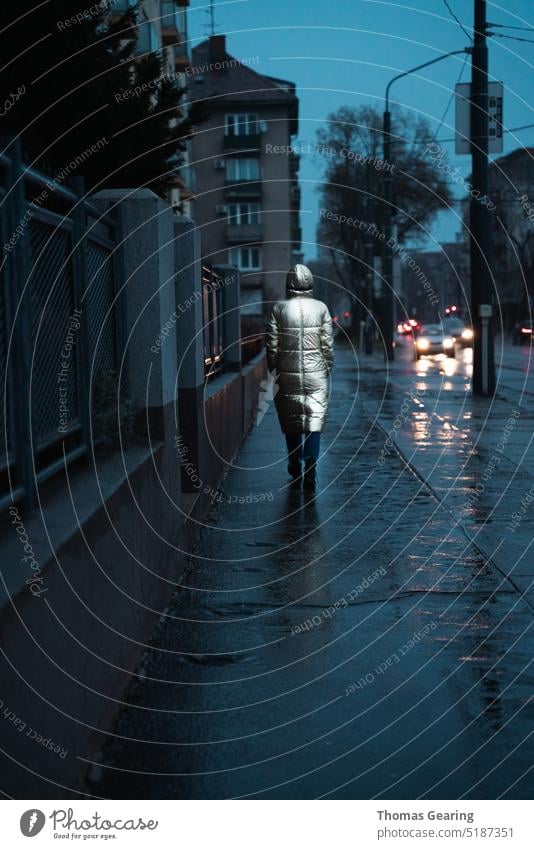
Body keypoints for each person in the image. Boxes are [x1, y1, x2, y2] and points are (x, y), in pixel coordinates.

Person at [265, 264, 334, 490]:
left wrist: (274, 369)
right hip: (317, 376)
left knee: (292, 421)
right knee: (313, 422)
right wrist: (326, 369)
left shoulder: (278, 309)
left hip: (286, 373)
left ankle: (295, 463)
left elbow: (272, 346)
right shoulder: (321, 308)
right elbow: (327, 346)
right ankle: (311, 461)